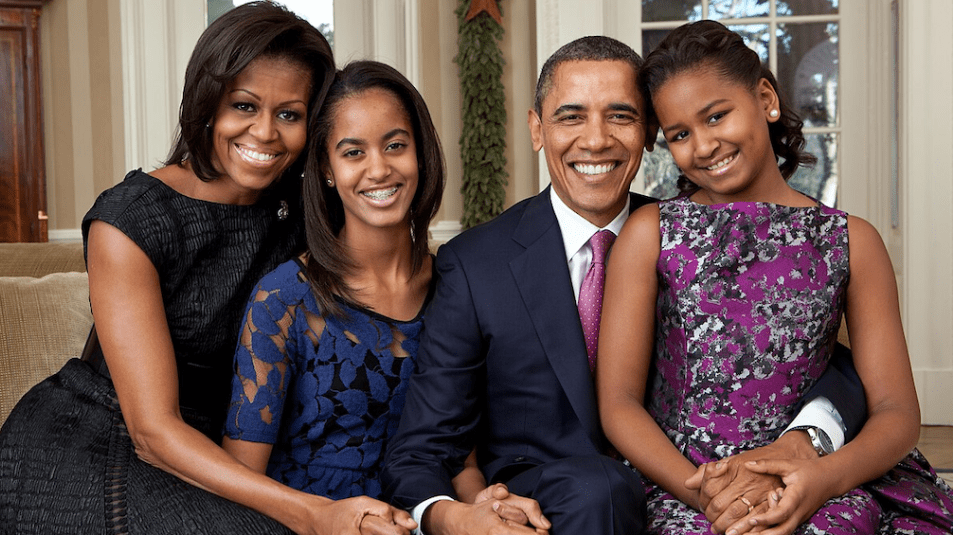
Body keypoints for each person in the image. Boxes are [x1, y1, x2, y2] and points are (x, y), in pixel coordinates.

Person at [381, 36, 866, 535]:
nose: (595, 140)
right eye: (571, 117)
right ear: (537, 129)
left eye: (620, 116)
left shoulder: (691, 236)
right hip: (553, 509)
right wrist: (458, 515)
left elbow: (808, 352)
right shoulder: (475, 264)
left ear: (650, 132)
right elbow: (422, 447)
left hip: (690, 489)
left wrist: (810, 435)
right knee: (600, 490)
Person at [0, 3, 349, 534]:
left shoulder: (304, 213)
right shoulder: (131, 220)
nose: (265, 132)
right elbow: (152, 431)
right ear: (206, 103)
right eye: (243, 105)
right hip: (96, 443)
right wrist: (312, 512)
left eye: (289, 114)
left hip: (215, 453)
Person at [597, 19, 953, 535]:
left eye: (716, 116)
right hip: (685, 482)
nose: (703, 145)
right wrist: (709, 495)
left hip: (818, 478)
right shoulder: (650, 233)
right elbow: (618, 404)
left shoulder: (853, 241)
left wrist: (821, 480)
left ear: (765, 99)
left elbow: (897, 413)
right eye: (680, 134)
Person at [220, 60, 445, 534]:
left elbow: (464, 452)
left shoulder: (457, 286)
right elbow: (240, 481)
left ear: (420, 154)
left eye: (395, 146)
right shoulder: (283, 300)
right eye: (353, 152)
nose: (379, 169)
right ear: (326, 168)